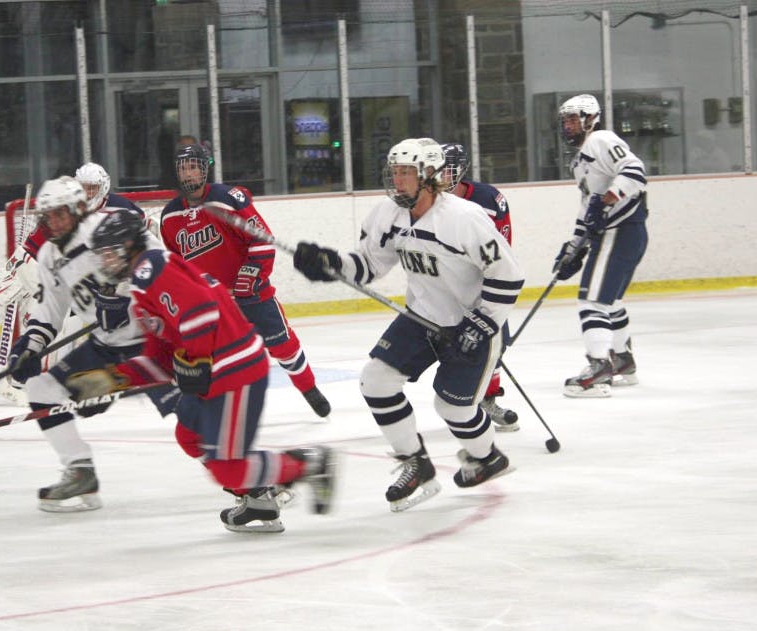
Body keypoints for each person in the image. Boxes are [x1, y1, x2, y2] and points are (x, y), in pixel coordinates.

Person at [66, 210, 338, 533]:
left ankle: (309, 463)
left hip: (235, 368)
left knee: (227, 469)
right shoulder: (141, 286)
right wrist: (112, 379)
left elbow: (201, 311)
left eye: (109, 253)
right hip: (218, 370)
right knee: (190, 436)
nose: (104, 262)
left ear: (128, 245)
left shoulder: (152, 268)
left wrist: (194, 360)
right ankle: (259, 501)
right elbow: (160, 358)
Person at [293, 137, 524, 512]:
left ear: (429, 175)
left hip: (471, 322)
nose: (397, 180)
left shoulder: (464, 218)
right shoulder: (388, 214)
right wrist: (331, 264)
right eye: (395, 172)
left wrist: (482, 322)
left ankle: (488, 458)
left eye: (406, 173)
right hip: (421, 317)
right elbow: (369, 264)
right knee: (376, 381)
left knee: (453, 409)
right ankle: (415, 463)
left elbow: (508, 275)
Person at [4, 176, 170, 512]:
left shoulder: (109, 228)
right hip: (105, 346)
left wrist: (126, 297)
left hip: (151, 343)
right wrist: (30, 346)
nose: (54, 222)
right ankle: (80, 470)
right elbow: (50, 308)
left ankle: (248, 477)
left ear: (79, 208)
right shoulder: (50, 255)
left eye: (60, 213)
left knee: (192, 413)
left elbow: (160, 261)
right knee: (41, 389)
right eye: (48, 215)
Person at [0, 162, 149, 393]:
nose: (89, 193)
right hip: (83, 293)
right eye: (84, 187)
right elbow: (31, 256)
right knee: (63, 321)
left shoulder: (121, 212)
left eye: (93, 188)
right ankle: (46, 363)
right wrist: (13, 273)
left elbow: (145, 254)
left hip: (126, 298)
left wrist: (124, 294)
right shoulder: (60, 224)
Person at [159, 144, 331, 418]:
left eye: (193, 167)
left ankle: (309, 389)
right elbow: (176, 264)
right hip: (211, 302)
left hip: (251, 295)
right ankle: (218, 412)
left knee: (283, 346)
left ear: (204, 170)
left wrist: (251, 274)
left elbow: (262, 241)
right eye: (183, 168)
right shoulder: (169, 216)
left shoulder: (227, 199)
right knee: (211, 360)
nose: (188, 173)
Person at [551, 94, 648, 398]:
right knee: (609, 301)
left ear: (591, 119)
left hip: (619, 231)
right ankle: (622, 360)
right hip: (622, 234)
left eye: (573, 119)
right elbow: (587, 208)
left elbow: (635, 171)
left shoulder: (601, 140)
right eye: (565, 121)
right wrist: (574, 247)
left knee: (591, 302)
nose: (568, 126)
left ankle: (598, 368)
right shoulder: (579, 162)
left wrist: (609, 198)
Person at [440, 142, 518, 432]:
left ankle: (487, 399)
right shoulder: (430, 202)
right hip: (445, 286)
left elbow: (503, 246)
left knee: (496, 341)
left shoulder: (490, 199)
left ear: (460, 170)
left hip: (482, 285)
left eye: (446, 170)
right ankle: (457, 399)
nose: (439, 176)